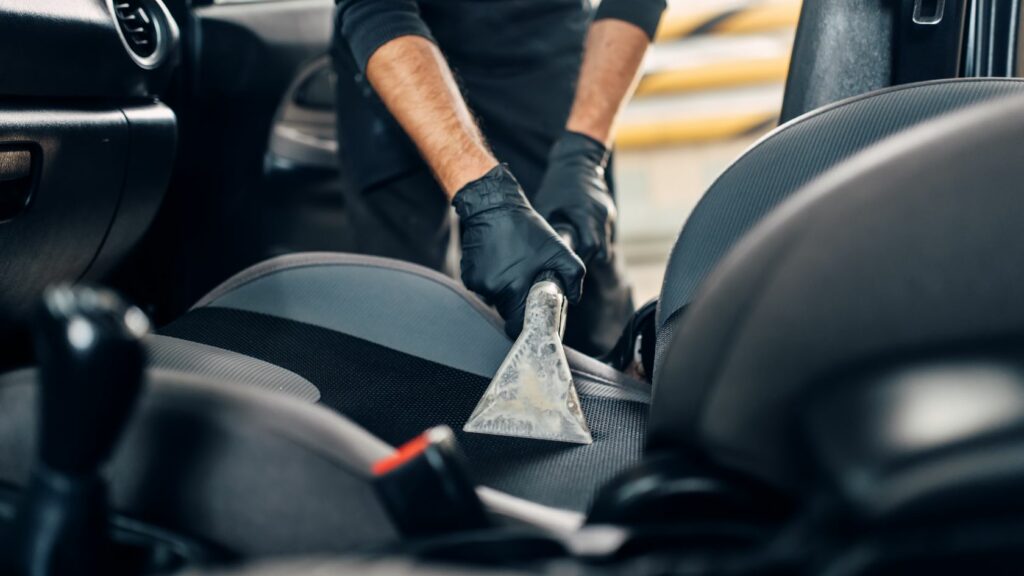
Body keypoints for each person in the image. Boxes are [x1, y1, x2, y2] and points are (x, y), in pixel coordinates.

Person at [332, 0, 666, 356]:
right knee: (405, 318)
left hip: (538, 45)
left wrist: (584, 151)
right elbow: (375, 9)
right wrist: (485, 197)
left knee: (579, 282)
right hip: (393, 52)